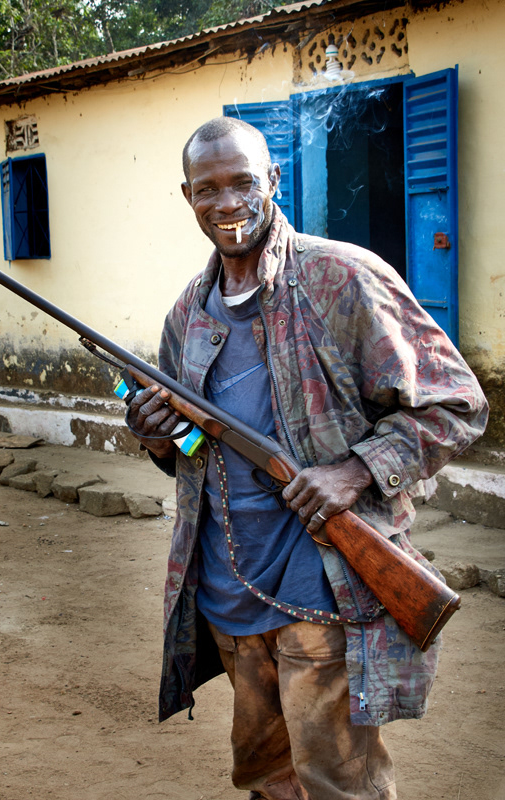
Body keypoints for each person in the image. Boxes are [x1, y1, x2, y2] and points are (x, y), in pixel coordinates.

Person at [126, 117, 488, 800]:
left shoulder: (340, 278)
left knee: (339, 785)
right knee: (268, 779)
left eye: (242, 182)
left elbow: (458, 404)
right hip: (227, 595)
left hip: (322, 592)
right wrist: (155, 435)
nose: (227, 203)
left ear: (273, 180)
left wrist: (354, 472)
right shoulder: (189, 313)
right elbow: (189, 453)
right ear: (188, 196)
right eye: (208, 189)